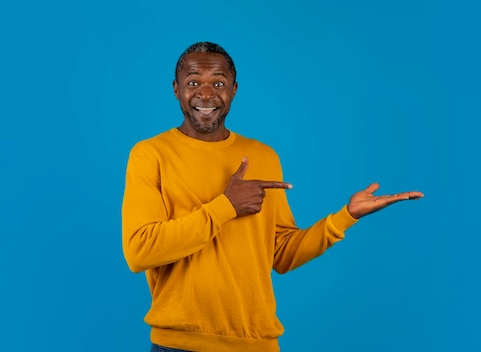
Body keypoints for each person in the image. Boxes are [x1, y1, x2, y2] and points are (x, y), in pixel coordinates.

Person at [122, 41, 424, 352]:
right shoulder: (151, 155)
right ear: (176, 89)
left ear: (234, 90)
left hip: (258, 344)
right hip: (179, 345)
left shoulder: (263, 157)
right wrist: (226, 206)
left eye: (219, 83)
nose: (206, 94)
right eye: (194, 82)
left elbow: (281, 254)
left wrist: (346, 216)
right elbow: (140, 251)